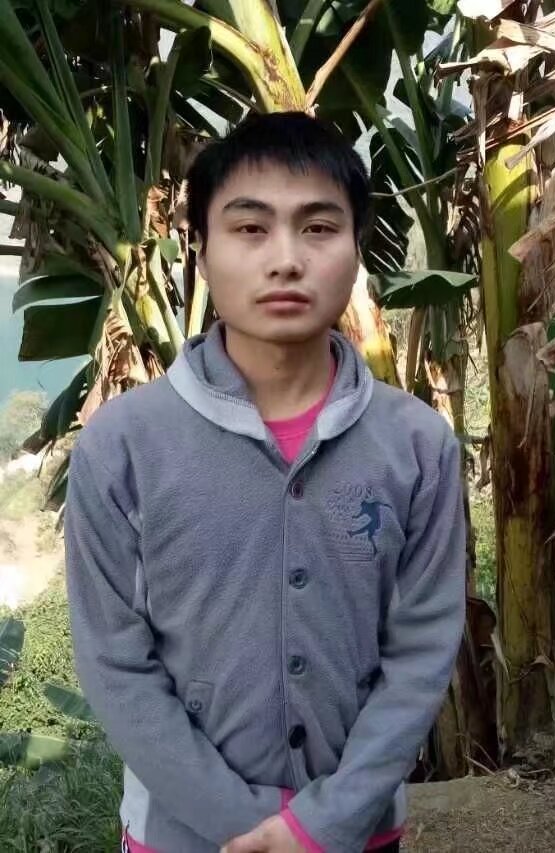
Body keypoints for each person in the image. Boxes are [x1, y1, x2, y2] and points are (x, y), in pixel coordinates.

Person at [64, 111, 466, 853]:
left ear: (356, 246)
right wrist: (245, 825)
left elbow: (421, 650)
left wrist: (324, 823)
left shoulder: (418, 445)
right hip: (181, 837)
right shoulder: (122, 446)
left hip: (358, 833)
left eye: (318, 228)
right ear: (200, 246)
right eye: (250, 228)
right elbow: (115, 664)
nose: (286, 259)